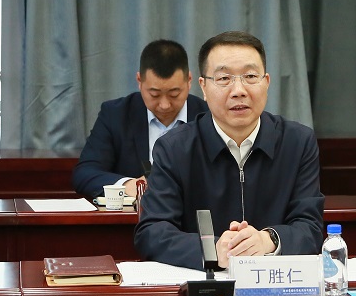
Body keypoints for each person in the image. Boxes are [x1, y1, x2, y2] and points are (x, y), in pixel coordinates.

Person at [134, 31, 324, 270]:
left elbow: (310, 227)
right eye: (224, 78)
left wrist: (268, 240)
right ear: (203, 87)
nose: (239, 90)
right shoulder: (174, 148)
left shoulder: (297, 142)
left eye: (250, 76)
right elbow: (152, 232)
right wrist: (212, 249)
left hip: (273, 283)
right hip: (206, 284)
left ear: (266, 82)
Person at [72, 39, 208, 199]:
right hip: (135, 214)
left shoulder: (209, 116)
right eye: (154, 95)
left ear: (189, 81)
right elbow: (85, 173)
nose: (164, 105)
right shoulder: (116, 114)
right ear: (139, 81)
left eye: (174, 94)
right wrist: (128, 185)